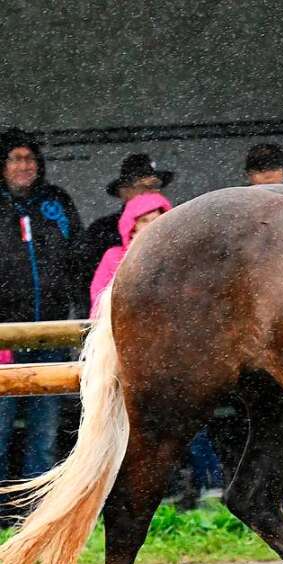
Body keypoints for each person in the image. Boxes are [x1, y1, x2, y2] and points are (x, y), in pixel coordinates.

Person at [90, 192, 224, 504]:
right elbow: (99, 303)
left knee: (191, 425)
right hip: (131, 360)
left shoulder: (184, 261)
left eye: (159, 220)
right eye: (145, 221)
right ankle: (154, 493)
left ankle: (211, 483)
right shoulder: (114, 258)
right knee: (142, 431)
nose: (153, 227)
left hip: (178, 360)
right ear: (130, 227)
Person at [0, 128, 82, 521]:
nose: (24, 166)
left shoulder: (56, 203)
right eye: (15, 158)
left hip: (49, 333)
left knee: (44, 434)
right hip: (3, 339)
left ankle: (39, 516)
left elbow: (78, 262)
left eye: (29, 159)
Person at [77, 153, 173, 317]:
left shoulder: (177, 232)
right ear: (123, 191)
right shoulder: (101, 232)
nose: (147, 192)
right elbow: (87, 288)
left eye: (154, 185)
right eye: (140, 186)